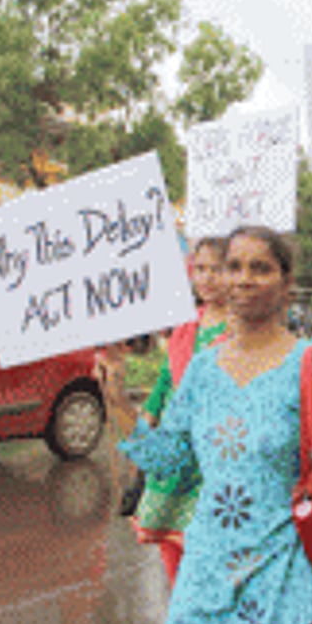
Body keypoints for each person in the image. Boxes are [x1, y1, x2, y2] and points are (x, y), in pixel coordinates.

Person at [119, 226, 312, 624]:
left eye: (260, 268)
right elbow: (171, 458)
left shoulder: (309, 364)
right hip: (206, 559)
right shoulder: (202, 368)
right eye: (234, 267)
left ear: (286, 281)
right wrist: (117, 403)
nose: (243, 279)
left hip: (280, 560)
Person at [129, 238, 229, 588]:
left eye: (216, 269)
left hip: (214, 459)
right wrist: (147, 421)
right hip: (174, 460)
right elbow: (165, 380)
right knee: (173, 559)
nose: (207, 278)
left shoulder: (241, 332)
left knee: (211, 561)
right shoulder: (186, 327)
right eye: (200, 269)